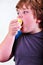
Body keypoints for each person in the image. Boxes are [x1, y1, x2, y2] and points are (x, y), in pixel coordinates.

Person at [0, 0, 43, 65]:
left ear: (39, 18)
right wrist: (10, 34)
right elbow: (2, 57)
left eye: (25, 12)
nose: (19, 16)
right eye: (18, 13)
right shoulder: (17, 35)